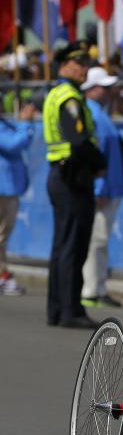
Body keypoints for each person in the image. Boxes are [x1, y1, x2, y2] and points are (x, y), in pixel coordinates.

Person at [42, 42, 107, 329]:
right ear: (65, 65)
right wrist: (99, 161)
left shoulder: (56, 92)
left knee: (62, 245)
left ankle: (57, 309)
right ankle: (70, 310)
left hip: (62, 174)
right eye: (79, 63)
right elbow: (78, 140)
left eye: (86, 63)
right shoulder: (69, 97)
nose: (84, 68)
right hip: (73, 177)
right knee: (73, 246)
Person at [80, 66, 123, 308]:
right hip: (104, 190)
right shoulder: (93, 114)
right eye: (105, 87)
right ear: (93, 88)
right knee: (96, 241)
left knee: (100, 241)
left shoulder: (99, 113)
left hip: (110, 188)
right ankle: (90, 290)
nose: (109, 91)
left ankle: (98, 287)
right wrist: (99, 189)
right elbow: (96, 156)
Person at [0, 101, 35, 296]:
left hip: (7, 188)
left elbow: (23, 142)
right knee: (1, 234)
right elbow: (14, 144)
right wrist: (25, 123)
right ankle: (2, 275)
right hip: (3, 189)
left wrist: (24, 125)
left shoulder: (5, 124)